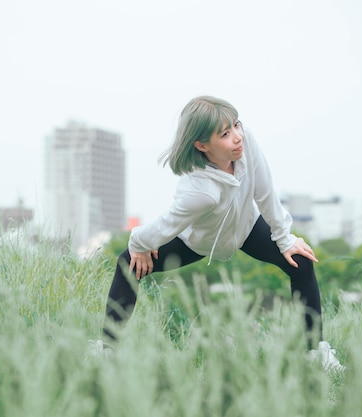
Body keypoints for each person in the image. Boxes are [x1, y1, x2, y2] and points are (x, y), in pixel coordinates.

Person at [101, 95, 343, 371]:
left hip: (246, 227)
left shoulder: (246, 142)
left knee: (300, 260)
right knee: (127, 262)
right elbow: (168, 224)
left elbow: (265, 192)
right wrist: (139, 244)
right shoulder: (199, 191)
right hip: (198, 241)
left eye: (236, 125)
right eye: (226, 134)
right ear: (202, 145)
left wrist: (285, 239)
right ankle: (107, 351)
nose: (237, 136)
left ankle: (315, 353)